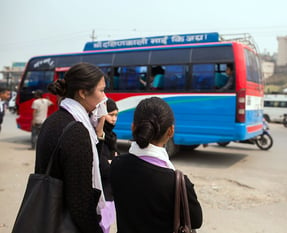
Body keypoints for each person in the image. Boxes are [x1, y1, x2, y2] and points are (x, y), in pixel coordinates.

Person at [110, 97, 203, 233]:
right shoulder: (177, 182)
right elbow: (196, 221)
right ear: (171, 131)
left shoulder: (116, 165)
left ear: (133, 127)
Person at [35, 62, 106, 233]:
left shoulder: (53, 120)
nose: (105, 97)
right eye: (101, 90)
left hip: (47, 217)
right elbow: (80, 204)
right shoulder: (77, 131)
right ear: (82, 93)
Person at [95, 98, 119, 233]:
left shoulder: (112, 137)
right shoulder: (98, 139)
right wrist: (113, 162)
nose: (114, 119)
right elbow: (104, 169)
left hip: (110, 194)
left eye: (116, 115)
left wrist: (113, 162)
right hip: (102, 196)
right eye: (111, 114)